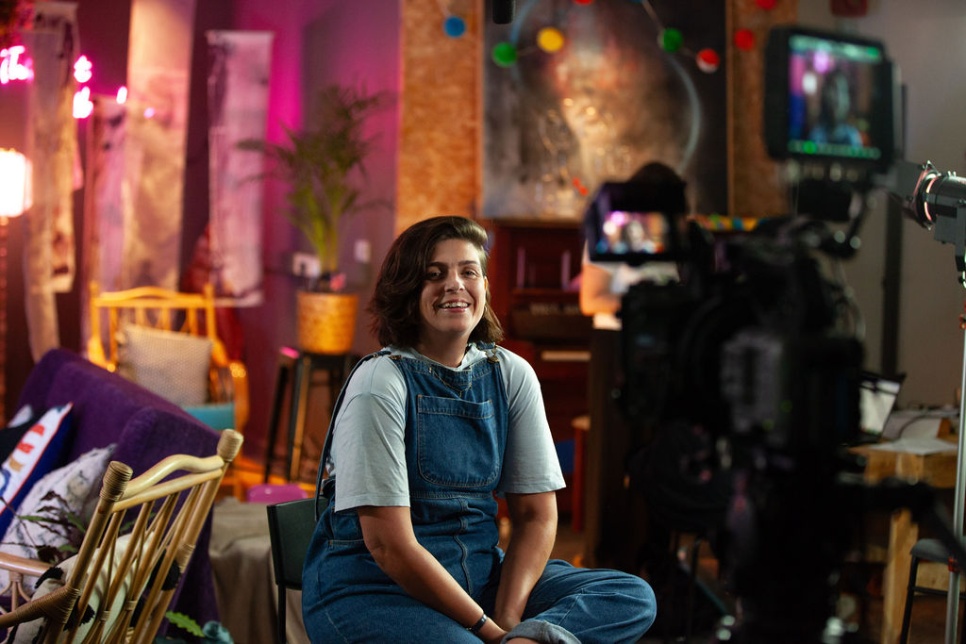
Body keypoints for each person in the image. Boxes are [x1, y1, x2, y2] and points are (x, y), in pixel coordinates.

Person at [302, 216, 656, 643]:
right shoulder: (379, 383)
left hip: (480, 578)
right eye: (434, 275)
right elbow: (389, 547)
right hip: (373, 590)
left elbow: (536, 515)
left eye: (468, 271)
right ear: (406, 291)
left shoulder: (510, 374)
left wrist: (510, 623)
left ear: (484, 286)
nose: (454, 284)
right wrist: (486, 631)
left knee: (631, 595)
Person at [578, 161, 685, 574]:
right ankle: (605, 558)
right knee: (613, 452)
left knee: (659, 453)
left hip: (665, 348)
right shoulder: (611, 228)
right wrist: (642, 303)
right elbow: (592, 299)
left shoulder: (677, 234)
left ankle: (654, 558)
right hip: (617, 345)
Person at [808, 68, 864, 147]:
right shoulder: (816, 136)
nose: (835, 98)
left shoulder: (853, 138)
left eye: (841, 91)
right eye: (832, 90)